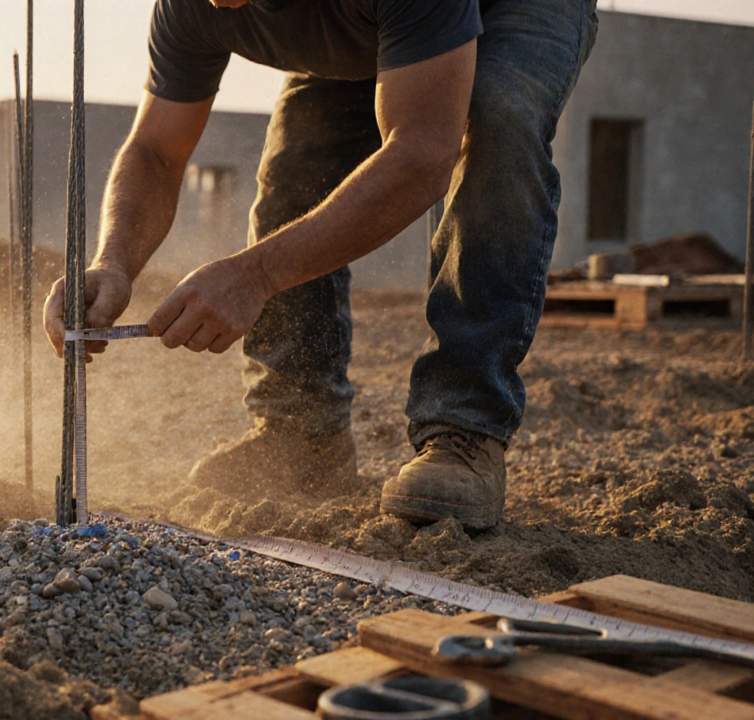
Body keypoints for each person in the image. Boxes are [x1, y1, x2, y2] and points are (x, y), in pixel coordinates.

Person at [44, 0, 598, 530]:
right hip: (376, 23)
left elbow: (425, 153)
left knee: (498, 115)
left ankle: (466, 428)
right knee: (297, 167)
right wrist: (113, 263)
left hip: (512, 6)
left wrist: (256, 275)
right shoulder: (189, 8)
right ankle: (302, 433)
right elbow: (157, 151)